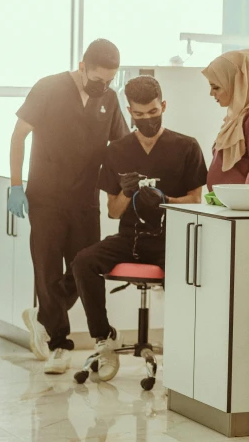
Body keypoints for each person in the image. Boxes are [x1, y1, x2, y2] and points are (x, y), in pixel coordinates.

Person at [72, 75, 207, 381]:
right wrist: (127, 192)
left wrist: (165, 199)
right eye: (140, 114)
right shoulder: (117, 150)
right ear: (129, 112)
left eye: (153, 112)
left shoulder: (186, 147)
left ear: (163, 106)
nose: (147, 119)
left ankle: (186, 349)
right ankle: (104, 337)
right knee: (84, 261)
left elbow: (196, 200)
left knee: (189, 277)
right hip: (129, 238)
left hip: (169, 241)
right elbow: (113, 210)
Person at [8, 39, 129, 375]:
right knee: (47, 271)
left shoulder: (110, 99)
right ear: (81, 66)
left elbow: (119, 146)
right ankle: (60, 345)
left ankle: (43, 316)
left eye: (109, 81)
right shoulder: (48, 88)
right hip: (45, 197)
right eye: (97, 80)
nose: (102, 86)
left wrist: (120, 189)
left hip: (85, 199)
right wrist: (16, 185)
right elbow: (19, 135)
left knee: (84, 270)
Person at [202, 49, 249, 191]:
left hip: (246, 208)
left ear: (238, 83)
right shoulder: (237, 117)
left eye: (216, 87)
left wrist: (245, 203)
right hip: (233, 205)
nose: (211, 93)